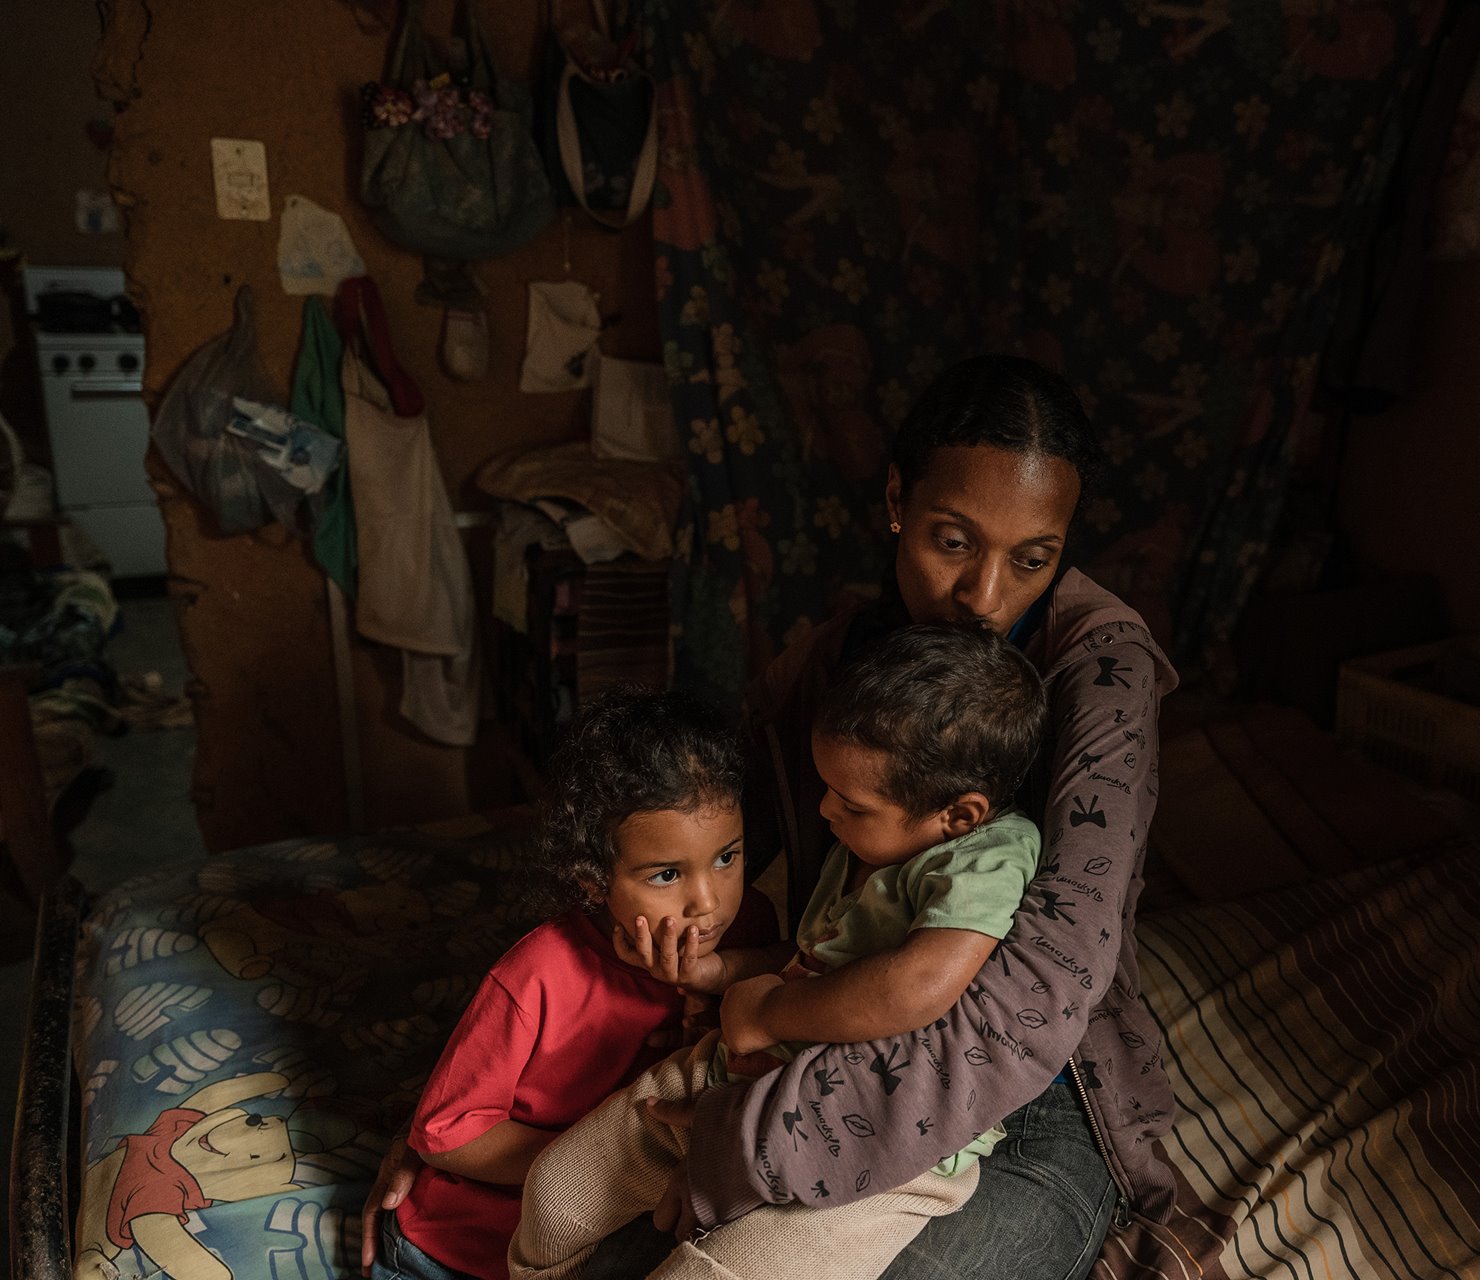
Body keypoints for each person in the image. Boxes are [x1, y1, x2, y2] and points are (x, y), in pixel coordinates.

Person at [365, 353, 1181, 1280]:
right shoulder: (835, 665)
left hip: (1030, 1097)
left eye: (1032, 559)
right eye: (952, 541)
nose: (985, 597)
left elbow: (1038, 995)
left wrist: (768, 1139)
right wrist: (449, 1125)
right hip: (809, 1032)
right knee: (581, 1234)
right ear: (896, 503)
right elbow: (667, 833)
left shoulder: (1100, 673)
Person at [509, 622, 1050, 1280]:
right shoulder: (862, 847)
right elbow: (803, 963)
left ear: (959, 816)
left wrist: (769, 1015)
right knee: (555, 1195)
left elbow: (921, 985)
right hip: (743, 1072)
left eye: (850, 803)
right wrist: (717, 974)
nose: (824, 810)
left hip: (876, 1138)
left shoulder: (987, 854)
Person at [370, 688, 776, 1280]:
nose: (708, 902)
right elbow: (443, 1133)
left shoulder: (751, 929)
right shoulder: (538, 976)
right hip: (459, 1249)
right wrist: (603, 1165)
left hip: (587, 1241)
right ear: (593, 881)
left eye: (726, 857)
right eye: (665, 874)